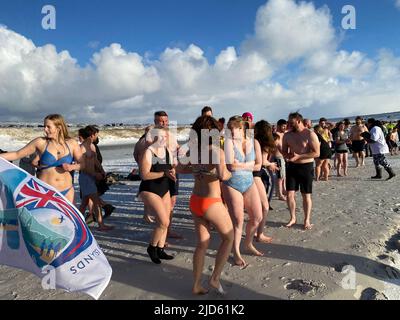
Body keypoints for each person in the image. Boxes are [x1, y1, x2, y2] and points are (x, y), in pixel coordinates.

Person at [177, 115, 234, 295]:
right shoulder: (216, 150)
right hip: (212, 201)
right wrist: (230, 174)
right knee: (229, 238)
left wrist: (199, 170)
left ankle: (196, 285)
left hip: (195, 201)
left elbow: (181, 169)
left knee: (202, 244)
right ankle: (215, 278)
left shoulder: (193, 150)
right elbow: (223, 175)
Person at [0, 114, 82, 203]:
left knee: (67, 217)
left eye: (48, 127)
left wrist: (72, 167)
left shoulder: (72, 143)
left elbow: (83, 164)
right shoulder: (40, 142)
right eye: (44, 126)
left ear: (59, 128)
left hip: (67, 190)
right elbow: (17, 154)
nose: (45, 129)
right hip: (45, 192)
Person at [222, 116, 263, 268]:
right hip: (231, 184)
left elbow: (259, 165)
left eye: (236, 129)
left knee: (257, 217)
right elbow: (231, 166)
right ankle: (236, 251)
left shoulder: (254, 142)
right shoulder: (228, 143)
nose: (232, 132)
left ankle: (248, 243)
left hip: (249, 183)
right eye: (230, 129)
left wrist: (243, 165)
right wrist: (249, 164)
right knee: (238, 221)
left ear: (242, 128)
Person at [139, 126, 176, 264]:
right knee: (164, 221)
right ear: (153, 137)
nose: (163, 139)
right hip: (149, 189)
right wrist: (163, 173)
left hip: (164, 189)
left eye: (165, 137)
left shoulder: (167, 151)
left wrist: (172, 174)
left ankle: (160, 249)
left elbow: (171, 168)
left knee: (165, 222)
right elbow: (144, 174)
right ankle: (152, 247)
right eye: (159, 137)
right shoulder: (148, 152)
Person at [282, 112, 320, 230]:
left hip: (306, 167)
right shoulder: (287, 135)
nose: (288, 124)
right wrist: (288, 156)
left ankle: (306, 219)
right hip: (292, 167)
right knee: (289, 194)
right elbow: (284, 151)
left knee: (306, 195)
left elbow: (316, 153)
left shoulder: (310, 134)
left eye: (291, 122)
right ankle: (292, 217)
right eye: (288, 122)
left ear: (298, 121)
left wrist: (299, 156)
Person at [78, 126, 113, 231]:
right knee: (95, 201)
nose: (96, 137)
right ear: (90, 136)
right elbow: (82, 167)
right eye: (95, 135)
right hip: (85, 177)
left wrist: (101, 170)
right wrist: (94, 174)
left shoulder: (92, 147)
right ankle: (101, 225)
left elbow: (96, 161)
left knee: (84, 203)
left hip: (92, 177)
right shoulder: (81, 148)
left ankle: (77, 223)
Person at [254, 120, 278, 243]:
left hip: (250, 173)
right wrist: (271, 164)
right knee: (264, 206)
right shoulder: (263, 143)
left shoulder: (251, 140)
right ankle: (259, 234)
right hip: (256, 174)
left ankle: (256, 232)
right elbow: (262, 161)